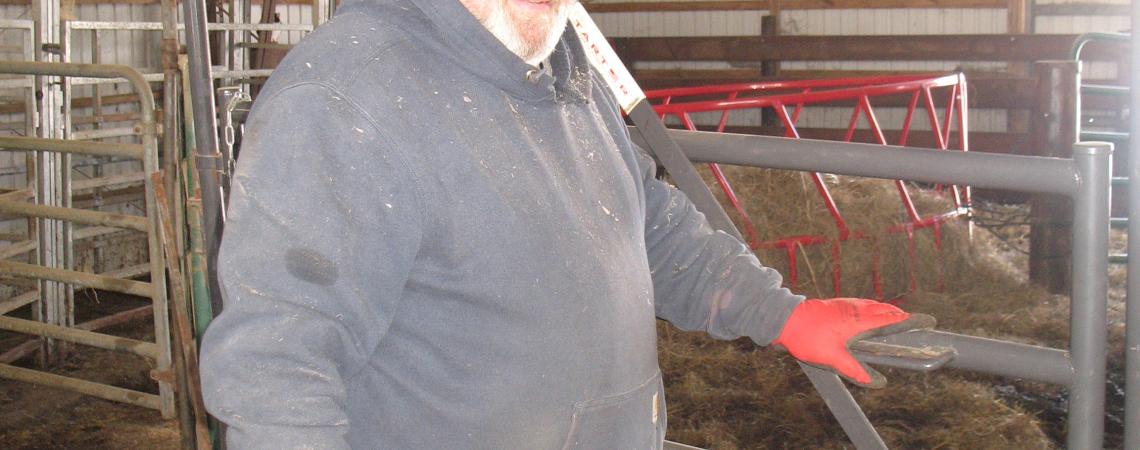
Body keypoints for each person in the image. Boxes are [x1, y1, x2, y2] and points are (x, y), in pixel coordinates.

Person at [199, 0, 920, 448]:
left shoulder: (558, 68)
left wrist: (781, 314)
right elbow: (278, 364)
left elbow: (648, 224)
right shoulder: (346, 99)